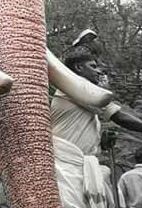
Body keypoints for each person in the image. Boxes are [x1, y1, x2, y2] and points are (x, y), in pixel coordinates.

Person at [51, 43, 142, 208]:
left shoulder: (84, 97)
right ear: (79, 67)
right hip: (65, 168)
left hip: (77, 166)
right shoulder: (75, 88)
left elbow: (80, 133)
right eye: (93, 66)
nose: (98, 71)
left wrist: (101, 143)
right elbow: (119, 117)